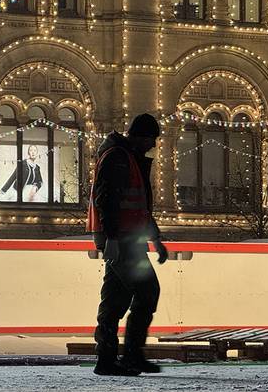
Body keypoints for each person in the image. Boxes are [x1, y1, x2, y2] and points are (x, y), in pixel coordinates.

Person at [86, 113, 169, 376]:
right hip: (121, 239)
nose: (152, 145)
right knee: (147, 291)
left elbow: (141, 206)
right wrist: (111, 238)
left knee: (115, 299)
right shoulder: (118, 158)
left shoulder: (128, 158)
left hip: (126, 238)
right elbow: (106, 199)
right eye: (151, 139)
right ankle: (130, 356)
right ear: (140, 136)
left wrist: (155, 238)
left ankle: (107, 359)